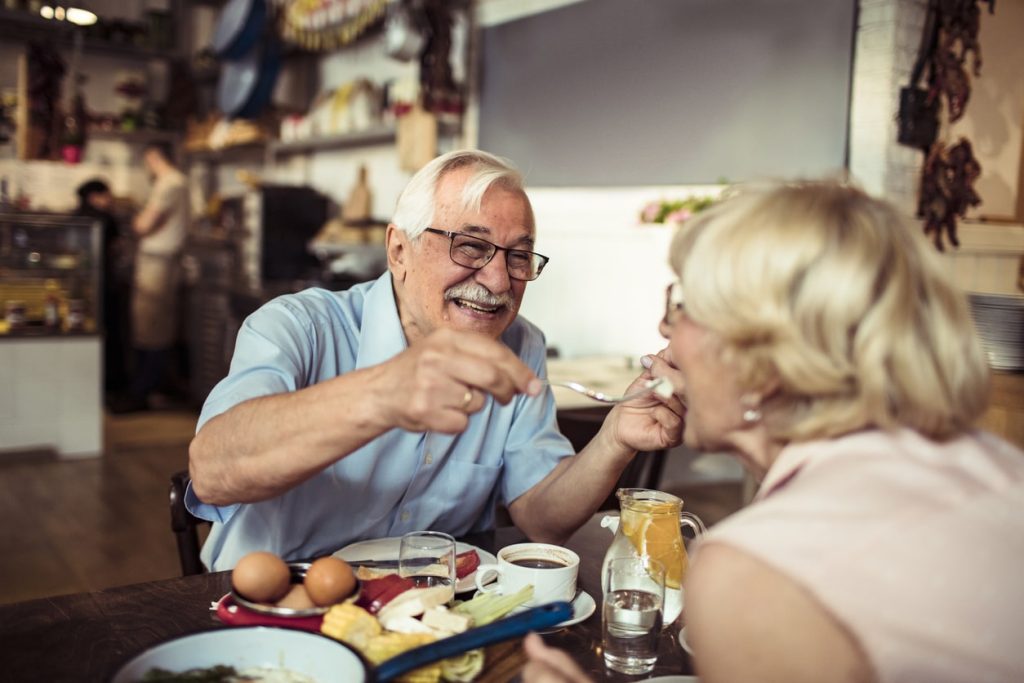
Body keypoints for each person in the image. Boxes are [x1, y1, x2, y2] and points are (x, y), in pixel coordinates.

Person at [523, 180, 1024, 683]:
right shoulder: (994, 462)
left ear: (762, 364)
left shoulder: (753, 572)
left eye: (684, 307)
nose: (664, 330)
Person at [186, 149, 685, 571]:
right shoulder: (299, 326)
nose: (498, 281)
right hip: (268, 610)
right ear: (399, 250)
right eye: (470, 246)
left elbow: (541, 517)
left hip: (431, 618)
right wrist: (384, 394)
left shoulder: (520, 345)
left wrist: (615, 438)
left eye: (517, 256)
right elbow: (213, 471)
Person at [113, 142, 189, 413]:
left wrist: (135, 221)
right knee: (157, 327)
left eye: (148, 160)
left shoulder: (170, 184)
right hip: (164, 263)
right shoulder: (179, 183)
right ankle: (149, 388)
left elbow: (143, 224)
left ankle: (142, 392)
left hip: (157, 264)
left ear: (156, 157)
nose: (148, 166)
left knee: (151, 327)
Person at [75, 178, 129, 401]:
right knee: (111, 334)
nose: (110, 200)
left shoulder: (76, 216)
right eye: (107, 195)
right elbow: (118, 249)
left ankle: (87, 382)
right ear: (94, 196)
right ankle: (111, 385)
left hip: (82, 284)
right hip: (106, 284)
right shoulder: (106, 218)